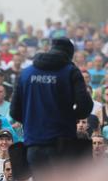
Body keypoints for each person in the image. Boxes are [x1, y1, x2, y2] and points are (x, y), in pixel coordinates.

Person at [10, 37, 93, 172]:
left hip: (34, 144)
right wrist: (68, 118)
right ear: (69, 54)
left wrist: (34, 122)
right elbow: (85, 107)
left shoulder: (26, 73)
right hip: (62, 143)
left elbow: (14, 112)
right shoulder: (70, 71)